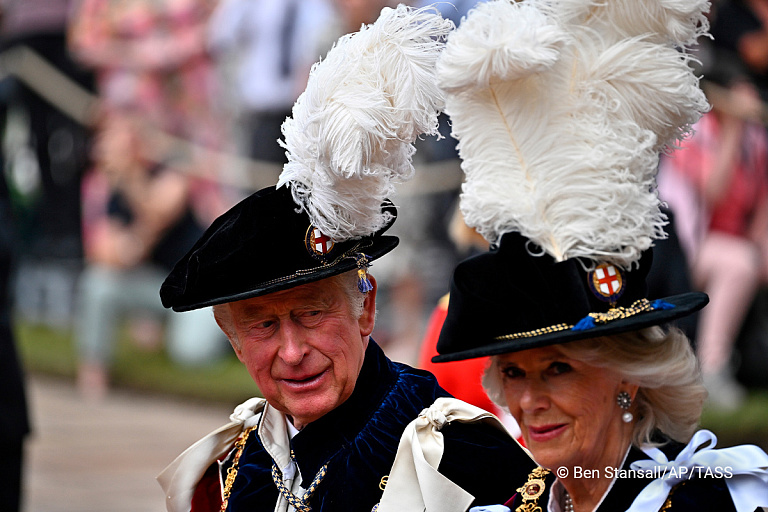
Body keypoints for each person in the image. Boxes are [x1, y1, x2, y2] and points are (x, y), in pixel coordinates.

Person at [387, 0, 768, 510]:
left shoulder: (708, 502)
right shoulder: (517, 502)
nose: (528, 402)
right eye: (514, 373)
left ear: (630, 379)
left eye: (559, 368)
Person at [156, 6, 535, 512]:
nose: (292, 352)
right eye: (262, 326)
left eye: (311, 313)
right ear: (235, 343)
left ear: (366, 310)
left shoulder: (457, 457)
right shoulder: (229, 468)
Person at [74, 111, 226, 399]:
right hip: (158, 288)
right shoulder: (109, 188)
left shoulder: (173, 167)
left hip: (198, 290)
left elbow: (159, 210)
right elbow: (104, 254)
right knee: (98, 282)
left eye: (111, 138)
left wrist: (130, 177)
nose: (102, 147)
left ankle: (229, 333)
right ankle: (94, 369)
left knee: (191, 355)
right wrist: (135, 241)